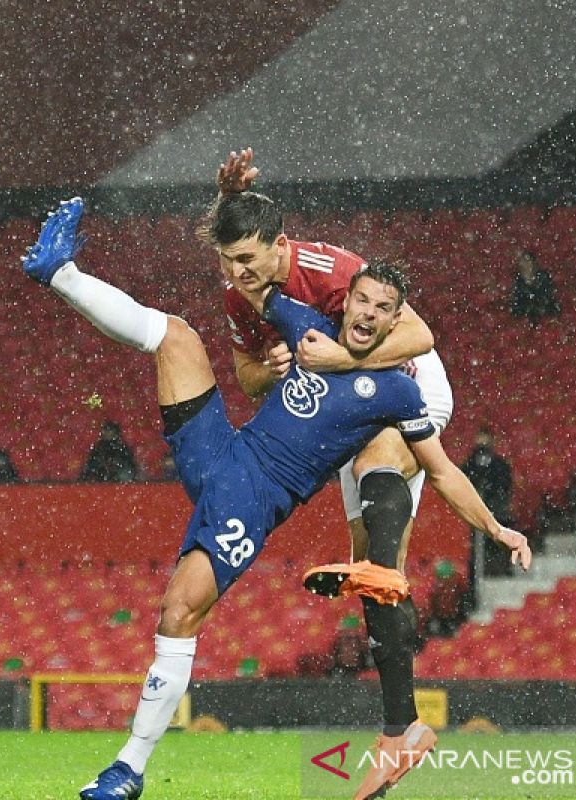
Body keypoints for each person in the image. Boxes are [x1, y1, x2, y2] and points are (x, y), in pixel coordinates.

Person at [20, 197, 530, 800]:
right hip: (222, 454)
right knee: (176, 337)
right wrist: (228, 203)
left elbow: (442, 473)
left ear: (395, 324)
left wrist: (497, 528)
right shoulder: (305, 328)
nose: (365, 313)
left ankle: (127, 769)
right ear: (345, 302)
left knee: (178, 612)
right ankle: (59, 271)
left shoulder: (397, 395)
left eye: (381, 309)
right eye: (359, 300)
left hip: (255, 499)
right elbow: (251, 281)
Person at [214, 149, 456, 794]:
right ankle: (401, 730)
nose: (237, 272)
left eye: (247, 259)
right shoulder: (243, 293)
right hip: (346, 412)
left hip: (405, 389)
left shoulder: (330, 270)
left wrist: (343, 361)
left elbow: (420, 336)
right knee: (380, 583)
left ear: (279, 246)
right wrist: (287, 363)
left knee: (381, 491)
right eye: (228, 259)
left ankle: (380, 574)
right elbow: (246, 379)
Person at [461, 427, 514, 577]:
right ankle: (476, 575)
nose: (482, 442)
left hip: (496, 511)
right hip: (473, 513)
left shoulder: (500, 464)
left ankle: (500, 570)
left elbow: (505, 485)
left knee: (497, 542)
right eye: (480, 438)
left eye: (485, 438)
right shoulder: (469, 463)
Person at [509, 249, 560, 323]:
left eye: (527, 261)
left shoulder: (544, 280)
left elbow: (550, 301)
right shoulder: (517, 284)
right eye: (522, 262)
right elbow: (516, 308)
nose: (525, 265)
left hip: (544, 321)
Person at [425, 560, 469, 638]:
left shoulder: (457, 585)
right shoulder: (437, 588)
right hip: (445, 616)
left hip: (451, 615)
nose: (446, 583)